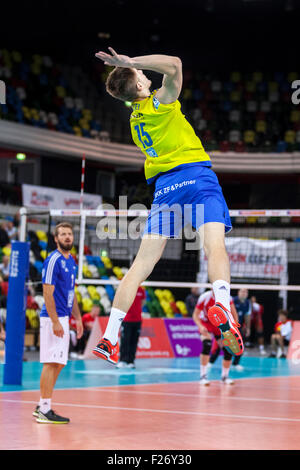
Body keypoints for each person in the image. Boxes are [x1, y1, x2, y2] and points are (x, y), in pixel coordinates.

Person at [92, 47, 243, 363]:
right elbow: (175, 64)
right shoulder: (159, 104)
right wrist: (130, 63)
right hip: (196, 178)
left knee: (141, 265)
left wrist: (129, 71)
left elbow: (158, 75)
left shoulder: (136, 119)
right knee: (214, 247)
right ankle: (222, 302)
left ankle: (108, 337)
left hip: (164, 190)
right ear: (142, 88)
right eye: (142, 77)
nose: (146, 76)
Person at [33, 222, 83, 424]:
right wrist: (55, 321)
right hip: (52, 318)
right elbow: (47, 293)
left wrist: (78, 318)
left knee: (59, 363)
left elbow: (72, 293)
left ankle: (41, 405)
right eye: (62, 234)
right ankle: (45, 409)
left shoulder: (72, 261)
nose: (67, 237)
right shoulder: (52, 259)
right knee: (51, 363)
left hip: (64, 317)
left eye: (69, 234)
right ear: (56, 239)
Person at [193, 290, 239, 385]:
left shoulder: (227, 297)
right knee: (207, 345)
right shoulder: (205, 297)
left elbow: (234, 315)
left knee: (228, 349)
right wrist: (201, 327)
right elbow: (195, 315)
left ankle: (224, 376)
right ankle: (203, 376)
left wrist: (233, 329)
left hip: (220, 324)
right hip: (206, 324)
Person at [116, 286, 146, 369]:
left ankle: (131, 361)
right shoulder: (126, 288)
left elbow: (142, 302)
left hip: (138, 320)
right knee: (125, 340)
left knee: (134, 341)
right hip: (127, 319)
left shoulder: (141, 290)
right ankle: (123, 360)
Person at [232, 288, 252, 371]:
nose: (244, 293)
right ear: (238, 292)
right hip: (228, 326)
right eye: (242, 291)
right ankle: (210, 362)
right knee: (221, 345)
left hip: (238, 327)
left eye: (246, 292)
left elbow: (247, 316)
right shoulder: (232, 301)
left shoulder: (247, 302)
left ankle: (235, 363)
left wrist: (248, 328)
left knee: (240, 345)